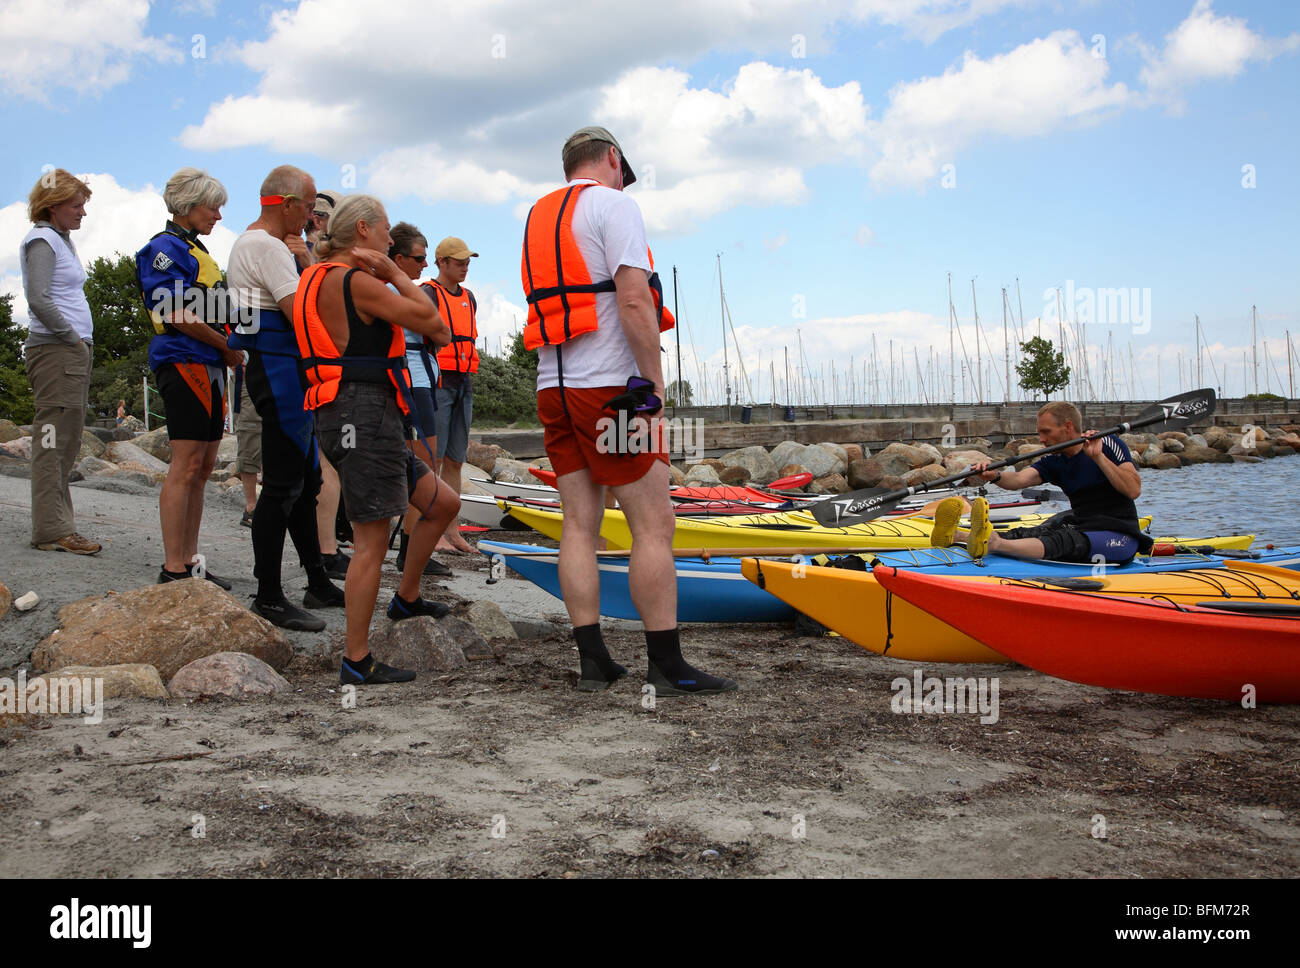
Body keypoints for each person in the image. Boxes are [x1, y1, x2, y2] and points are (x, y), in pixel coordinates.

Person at [520, 125, 736, 696]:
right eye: (623, 169)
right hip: (613, 391)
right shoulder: (615, 205)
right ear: (612, 159)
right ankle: (666, 665)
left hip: (554, 389)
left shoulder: (537, 216)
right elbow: (635, 297)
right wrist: (655, 385)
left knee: (578, 525)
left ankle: (593, 659)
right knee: (653, 526)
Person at [293, 194, 459, 685]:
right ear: (363, 230)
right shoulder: (356, 281)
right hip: (363, 412)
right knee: (369, 542)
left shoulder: (314, 277)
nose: (391, 239)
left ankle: (406, 598)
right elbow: (437, 327)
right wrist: (396, 272)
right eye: (386, 231)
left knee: (441, 503)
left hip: (345, 410)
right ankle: (357, 660)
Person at [226, 165, 342, 630]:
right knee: (282, 485)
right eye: (309, 206)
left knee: (307, 479)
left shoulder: (255, 244)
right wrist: (310, 265)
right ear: (286, 202)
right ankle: (269, 595)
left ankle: (316, 580)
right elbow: (304, 313)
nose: (312, 217)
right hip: (279, 375)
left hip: (283, 374)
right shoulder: (265, 246)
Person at [135, 167, 243, 589]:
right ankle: (173, 566)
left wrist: (229, 346)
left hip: (212, 364)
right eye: (213, 206)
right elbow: (176, 314)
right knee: (186, 464)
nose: (218, 215)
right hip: (183, 361)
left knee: (203, 466)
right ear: (189, 205)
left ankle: (190, 560)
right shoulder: (163, 249)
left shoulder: (198, 251)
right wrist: (225, 345)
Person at [931, 400, 1151, 563]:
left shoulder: (1107, 444)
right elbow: (1018, 479)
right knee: (1027, 532)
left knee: (1065, 540)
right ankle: (957, 535)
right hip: (1083, 525)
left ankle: (995, 544)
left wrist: (1098, 457)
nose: (1042, 439)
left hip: (1119, 537)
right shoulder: (1054, 461)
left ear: (1067, 427)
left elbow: (1133, 490)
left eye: (1046, 432)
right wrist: (995, 476)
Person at [20, 168, 101, 555]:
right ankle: (51, 529)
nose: (82, 212)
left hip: (66, 353)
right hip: (56, 352)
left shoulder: (58, 240)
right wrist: (72, 339)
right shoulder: (42, 241)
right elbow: (37, 297)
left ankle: (57, 525)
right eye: (76, 205)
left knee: (64, 443)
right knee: (52, 439)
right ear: (52, 207)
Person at [390, 222, 451, 577]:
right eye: (418, 259)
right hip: (413, 382)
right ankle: (411, 550)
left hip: (419, 379)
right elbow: (439, 333)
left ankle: (410, 546)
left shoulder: (398, 289)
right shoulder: (394, 291)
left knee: (422, 463)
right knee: (423, 464)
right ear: (398, 258)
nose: (423, 266)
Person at [426, 237, 481, 554]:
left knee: (455, 460)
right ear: (442, 263)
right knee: (432, 459)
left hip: (464, 381)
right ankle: (430, 533)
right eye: (459, 261)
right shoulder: (428, 294)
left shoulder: (469, 297)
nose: (465, 266)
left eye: (467, 261)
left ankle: (452, 531)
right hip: (438, 382)